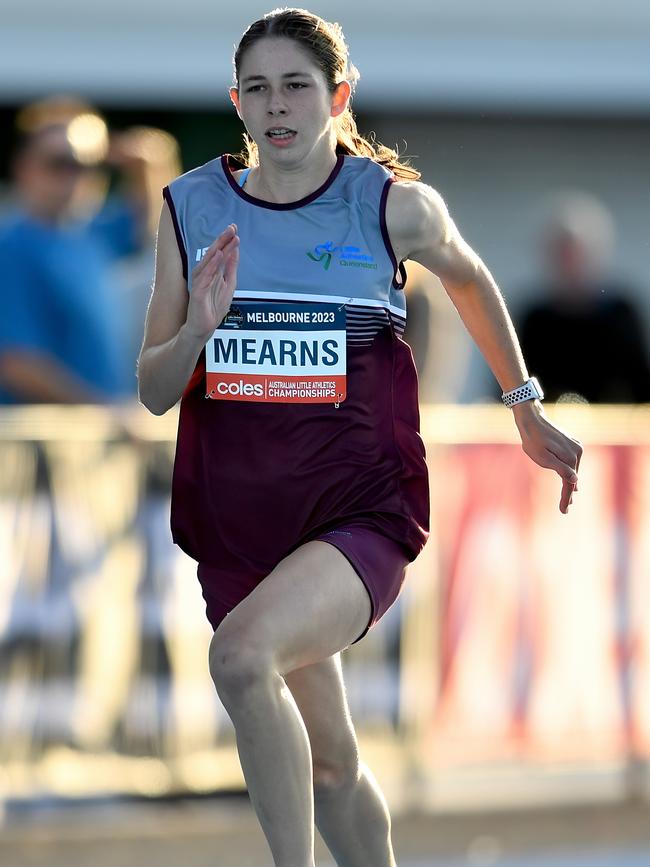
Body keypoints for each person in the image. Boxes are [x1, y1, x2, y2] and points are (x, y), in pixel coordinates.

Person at [137, 9, 582, 866]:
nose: (277, 107)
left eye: (296, 86)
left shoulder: (392, 209)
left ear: (338, 97)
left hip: (356, 515)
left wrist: (522, 404)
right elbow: (155, 392)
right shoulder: (191, 208)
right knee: (333, 762)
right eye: (258, 89)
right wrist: (197, 328)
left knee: (239, 659)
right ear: (237, 103)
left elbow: (470, 276)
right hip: (239, 528)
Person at [0, 99, 180, 403]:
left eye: (88, 164)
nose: (76, 177)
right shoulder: (12, 249)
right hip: (38, 437)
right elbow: (16, 363)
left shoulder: (91, 234)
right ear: (23, 167)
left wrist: (147, 164)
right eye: (60, 163)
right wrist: (105, 409)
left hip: (92, 433)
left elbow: (154, 223)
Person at [517, 191, 650, 403]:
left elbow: (642, 389)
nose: (569, 263)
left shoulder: (620, 314)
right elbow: (511, 390)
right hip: (549, 428)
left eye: (575, 253)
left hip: (613, 430)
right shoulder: (535, 319)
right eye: (561, 253)